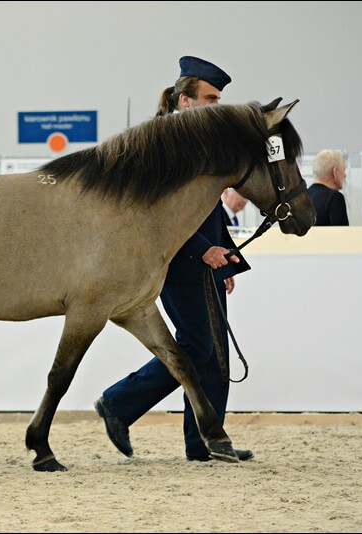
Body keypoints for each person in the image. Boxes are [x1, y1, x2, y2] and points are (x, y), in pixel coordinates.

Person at [94, 56, 254, 462]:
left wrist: (225, 257)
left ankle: (204, 444)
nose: (217, 107)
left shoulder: (196, 145)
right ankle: (119, 402)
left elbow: (208, 209)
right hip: (182, 262)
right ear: (185, 100)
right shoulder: (167, 145)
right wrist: (204, 250)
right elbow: (160, 211)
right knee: (199, 348)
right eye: (210, 99)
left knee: (212, 352)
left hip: (206, 265)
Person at [308, 149, 350, 226]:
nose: (345, 175)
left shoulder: (305, 195)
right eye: (343, 170)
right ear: (335, 172)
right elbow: (342, 235)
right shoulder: (335, 198)